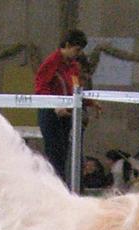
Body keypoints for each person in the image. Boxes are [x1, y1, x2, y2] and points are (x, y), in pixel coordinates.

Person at [34, 28, 87, 182]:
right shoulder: (51, 62)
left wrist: (89, 102)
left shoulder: (74, 66)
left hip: (67, 115)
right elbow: (41, 87)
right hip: (51, 114)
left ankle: (64, 187)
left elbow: (74, 89)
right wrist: (54, 105)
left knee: (64, 154)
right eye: (77, 50)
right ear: (68, 45)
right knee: (54, 155)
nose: (78, 54)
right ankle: (54, 188)